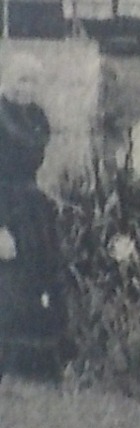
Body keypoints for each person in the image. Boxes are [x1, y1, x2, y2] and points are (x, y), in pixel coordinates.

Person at [0, 54, 66, 383]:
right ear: (9, 80)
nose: (27, 88)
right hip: (3, 203)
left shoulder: (37, 117)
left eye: (33, 81)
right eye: (22, 80)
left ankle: (34, 363)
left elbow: (39, 163)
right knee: (7, 282)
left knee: (37, 277)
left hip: (30, 207)